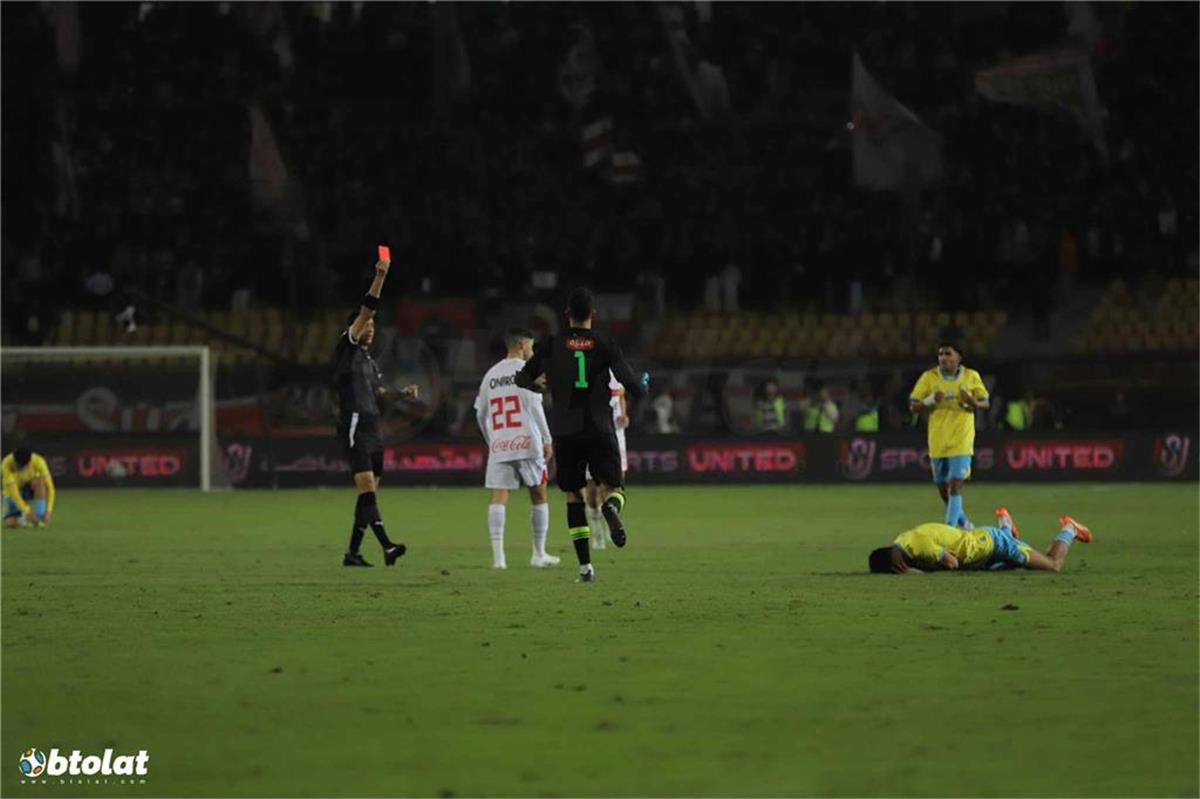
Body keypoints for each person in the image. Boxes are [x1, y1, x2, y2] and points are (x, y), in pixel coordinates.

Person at [515, 288, 648, 583]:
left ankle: (585, 568)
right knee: (615, 487)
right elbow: (632, 384)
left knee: (573, 496)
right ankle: (611, 507)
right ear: (593, 314)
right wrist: (644, 384)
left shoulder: (551, 343)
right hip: (600, 426)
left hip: (566, 429)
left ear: (567, 315)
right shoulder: (605, 343)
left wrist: (543, 386)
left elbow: (522, 378)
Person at [332, 254, 419, 568]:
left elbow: (380, 393)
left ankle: (352, 554)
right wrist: (380, 276)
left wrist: (401, 392)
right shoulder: (348, 348)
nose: (370, 327)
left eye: (372, 324)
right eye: (366, 323)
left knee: (368, 495)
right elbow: (368, 305)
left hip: (374, 428)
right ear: (355, 327)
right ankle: (387, 546)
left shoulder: (368, 362)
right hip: (355, 424)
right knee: (367, 489)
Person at [474, 327, 560, 569]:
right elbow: (535, 406)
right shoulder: (527, 371)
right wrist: (546, 439)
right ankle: (538, 554)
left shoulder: (490, 375)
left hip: (501, 442)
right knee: (539, 493)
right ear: (522, 345)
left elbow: (480, 413)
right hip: (527, 441)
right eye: (531, 346)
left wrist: (491, 440)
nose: (532, 352)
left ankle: (498, 559)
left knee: (499, 496)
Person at [908, 342, 989, 529]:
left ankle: (949, 528)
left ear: (958, 357)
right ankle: (966, 524)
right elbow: (913, 405)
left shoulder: (971, 376)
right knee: (944, 490)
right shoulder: (929, 377)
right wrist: (929, 400)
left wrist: (972, 402)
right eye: (940, 354)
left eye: (948, 354)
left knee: (955, 484)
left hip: (961, 439)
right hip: (938, 439)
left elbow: (985, 402)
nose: (943, 357)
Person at [868, 507, 1094, 573]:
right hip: (982, 552)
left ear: (896, 565)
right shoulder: (902, 541)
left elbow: (952, 564)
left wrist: (911, 572)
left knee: (1052, 564)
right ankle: (1005, 522)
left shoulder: (921, 547)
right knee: (1017, 566)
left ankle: (1069, 529)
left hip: (991, 544)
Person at [585, 371, 629, 550]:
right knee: (591, 489)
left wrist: (624, 415)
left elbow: (621, 396)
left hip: (617, 436)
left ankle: (609, 524)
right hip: (594, 436)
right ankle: (597, 532)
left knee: (615, 485)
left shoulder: (617, 373)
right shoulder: (585, 375)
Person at [3, 447, 55, 528]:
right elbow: (15, 494)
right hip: (12, 494)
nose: (16, 467)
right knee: (11, 523)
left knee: (40, 481)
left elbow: (50, 487)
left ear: (28, 464)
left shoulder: (39, 461)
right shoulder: (6, 464)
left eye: (19, 466)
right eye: (16, 464)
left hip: (28, 489)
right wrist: (27, 512)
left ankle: (40, 516)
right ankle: (24, 519)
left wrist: (48, 511)